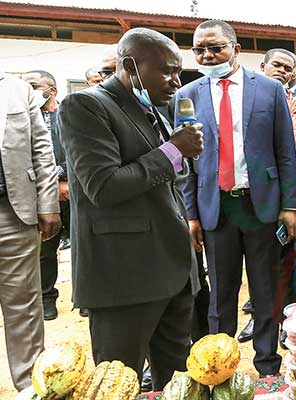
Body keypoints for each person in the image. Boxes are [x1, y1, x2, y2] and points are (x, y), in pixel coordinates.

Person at [58, 28, 202, 388]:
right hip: (124, 276)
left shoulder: (156, 108)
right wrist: (173, 151)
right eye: (166, 70)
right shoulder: (86, 106)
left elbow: (160, 181)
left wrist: (179, 153)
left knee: (178, 383)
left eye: (178, 72)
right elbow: (103, 186)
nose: (175, 81)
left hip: (172, 269)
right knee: (118, 382)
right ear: (129, 66)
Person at [175, 19, 296, 377]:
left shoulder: (270, 90)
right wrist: (192, 215)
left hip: (260, 205)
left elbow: (285, 152)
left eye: (216, 48)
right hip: (216, 206)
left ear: (236, 49)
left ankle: (267, 364)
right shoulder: (188, 95)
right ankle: (220, 363)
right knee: (221, 292)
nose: (207, 55)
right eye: (199, 49)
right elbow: (186, 161)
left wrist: (290, 206)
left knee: (264, 289)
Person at [234, 48, 296, 344]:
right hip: (252, 198)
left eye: (288, 68)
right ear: (263, 66)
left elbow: (294, 148)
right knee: (257, 265)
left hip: (288, 196)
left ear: (294, 75)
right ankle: (260, 318)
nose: (282, 71)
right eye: (276, 65)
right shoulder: (244, 99)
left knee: (287, 263)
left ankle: (288, 322)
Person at [0, 71, 60, 391]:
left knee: (23, 305)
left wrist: (47, 204)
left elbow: (42, 152)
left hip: (12, 213)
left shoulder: (17, 90)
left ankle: (30, 389)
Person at [21, 70, 68, 321]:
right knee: (46, 249)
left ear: (53, 90)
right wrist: (51, 181)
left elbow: (80, 151)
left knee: (83, 246)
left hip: (73, 191)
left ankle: (82, 298)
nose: (30, 90)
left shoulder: (69, 114)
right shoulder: (24, 120)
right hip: (42, 196)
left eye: (34, 85)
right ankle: (47, 297)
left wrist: (62, 176)